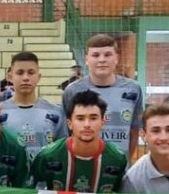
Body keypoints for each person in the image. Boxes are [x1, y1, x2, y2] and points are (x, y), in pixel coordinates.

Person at [61, 33, 143, 163]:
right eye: (96, 55)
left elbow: (134, 130)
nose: (102, 60)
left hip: (118, 167)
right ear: (87, 59)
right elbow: (66, 133)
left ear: (116, 58)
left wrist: (124, 159)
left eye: (108, 55)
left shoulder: (133, 89)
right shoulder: (72, 90)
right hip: (82, 165)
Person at [31, 89, 126, 193]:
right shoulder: (47, 156)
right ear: (69, 124)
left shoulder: (117, 159)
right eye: (80, 118)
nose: (87, 124)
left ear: (102, 123)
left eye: (93, 118)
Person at [0, 51, 67, 162]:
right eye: (20, 73)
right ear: (10, 77)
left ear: (38, 76)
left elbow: (62, 152)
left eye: (31, 73)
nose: (25, 78)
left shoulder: (56, 113)